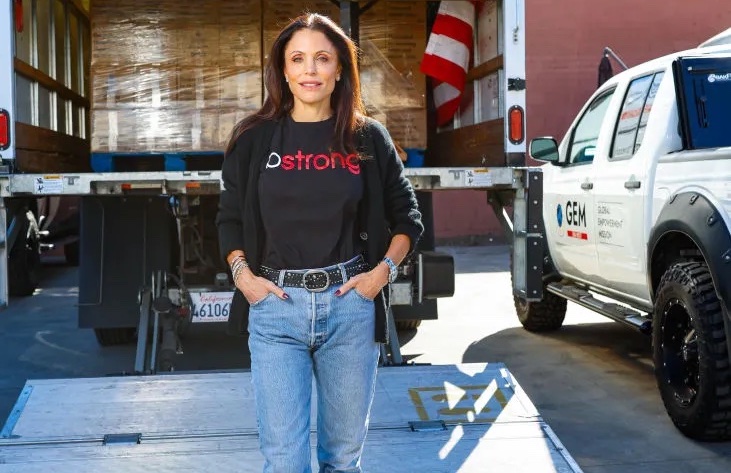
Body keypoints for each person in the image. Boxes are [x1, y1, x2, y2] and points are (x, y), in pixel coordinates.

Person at [215, 12, 423, 473]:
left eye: (322, 58)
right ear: (283, 71)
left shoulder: (368, 138)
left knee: (342, 462)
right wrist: (244, 277)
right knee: (285, 463)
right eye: (298, 59)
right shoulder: (253, 138)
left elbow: (407, 216)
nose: (310, 70)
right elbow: (228, 220)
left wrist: (380, 275)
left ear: (339, 70)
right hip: (274, 308)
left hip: (350, 306)